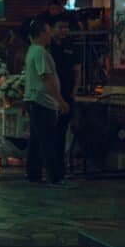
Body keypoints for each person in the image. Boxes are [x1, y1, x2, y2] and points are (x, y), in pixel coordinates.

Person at [22, 16, 70, 186]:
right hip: (42, 101)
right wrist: (61, 101)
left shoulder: (33, 50)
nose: (50, 35)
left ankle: (34, 173)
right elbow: (47, 78)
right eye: (48, 32)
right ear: (41, 33)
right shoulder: (40, 52)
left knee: (37, 140)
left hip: (35, 100)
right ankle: (54, 176)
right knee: (48, 140)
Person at [50, 15, 81, 171]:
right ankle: (51, 165)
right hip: (50, 94)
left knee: (62, 130)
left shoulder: (71, 45)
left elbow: (77, 70)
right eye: (60, 27)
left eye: (66, 27)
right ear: (52, 28)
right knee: (51, 131)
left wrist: (75, 90)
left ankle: (60, 165)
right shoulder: (47, 46)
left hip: (67, 94)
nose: (64, 30)